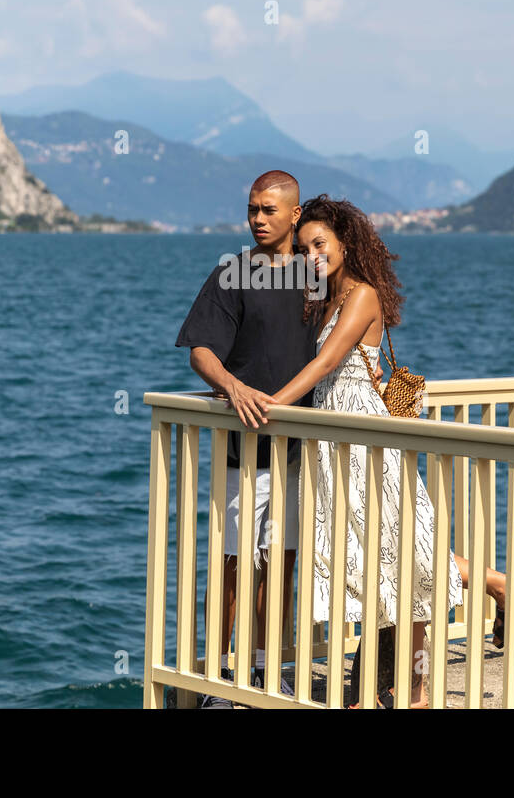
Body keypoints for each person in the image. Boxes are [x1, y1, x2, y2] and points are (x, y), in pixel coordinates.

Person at [265, 194, 514, 708]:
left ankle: (412, 690)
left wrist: (269, 406)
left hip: (366, 438)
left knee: (403, 555)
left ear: (345, 243)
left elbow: (328, 363)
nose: (311, 256)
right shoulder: (322, 298)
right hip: (332, 439)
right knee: (378, 556)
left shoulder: (363, 295)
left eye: (319, 244)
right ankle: (498, 586)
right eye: (303, 249)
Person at [174, 170, 317, 705]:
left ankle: (265, 671)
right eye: (252, 209)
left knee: (281, 566)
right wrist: (234, 388)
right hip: (244, 449)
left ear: (294, 214)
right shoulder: (232, 274)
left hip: (299, 450)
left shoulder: (314, 274)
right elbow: (200, 351)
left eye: (269, 210)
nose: (257, 219)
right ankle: (218, 678)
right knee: (236, 565)